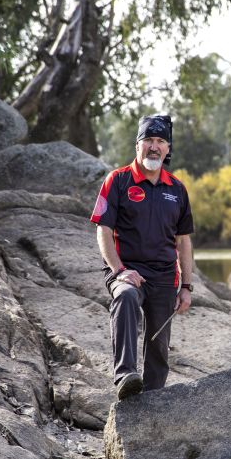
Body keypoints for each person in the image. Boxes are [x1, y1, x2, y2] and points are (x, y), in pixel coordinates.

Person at [90, 115, 194, 400]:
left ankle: (152, 401)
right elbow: (104, 229)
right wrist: (119, 270)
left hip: (164, 277)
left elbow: (184, 241)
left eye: (160, 141)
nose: (154, 146)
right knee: (124, 297)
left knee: (158, 347)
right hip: (127, 270)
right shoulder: (118, 180)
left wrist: (186, 286)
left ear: (168, 149)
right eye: (148, 140)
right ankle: (125, 376)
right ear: (137, 145)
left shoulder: (177, 189)